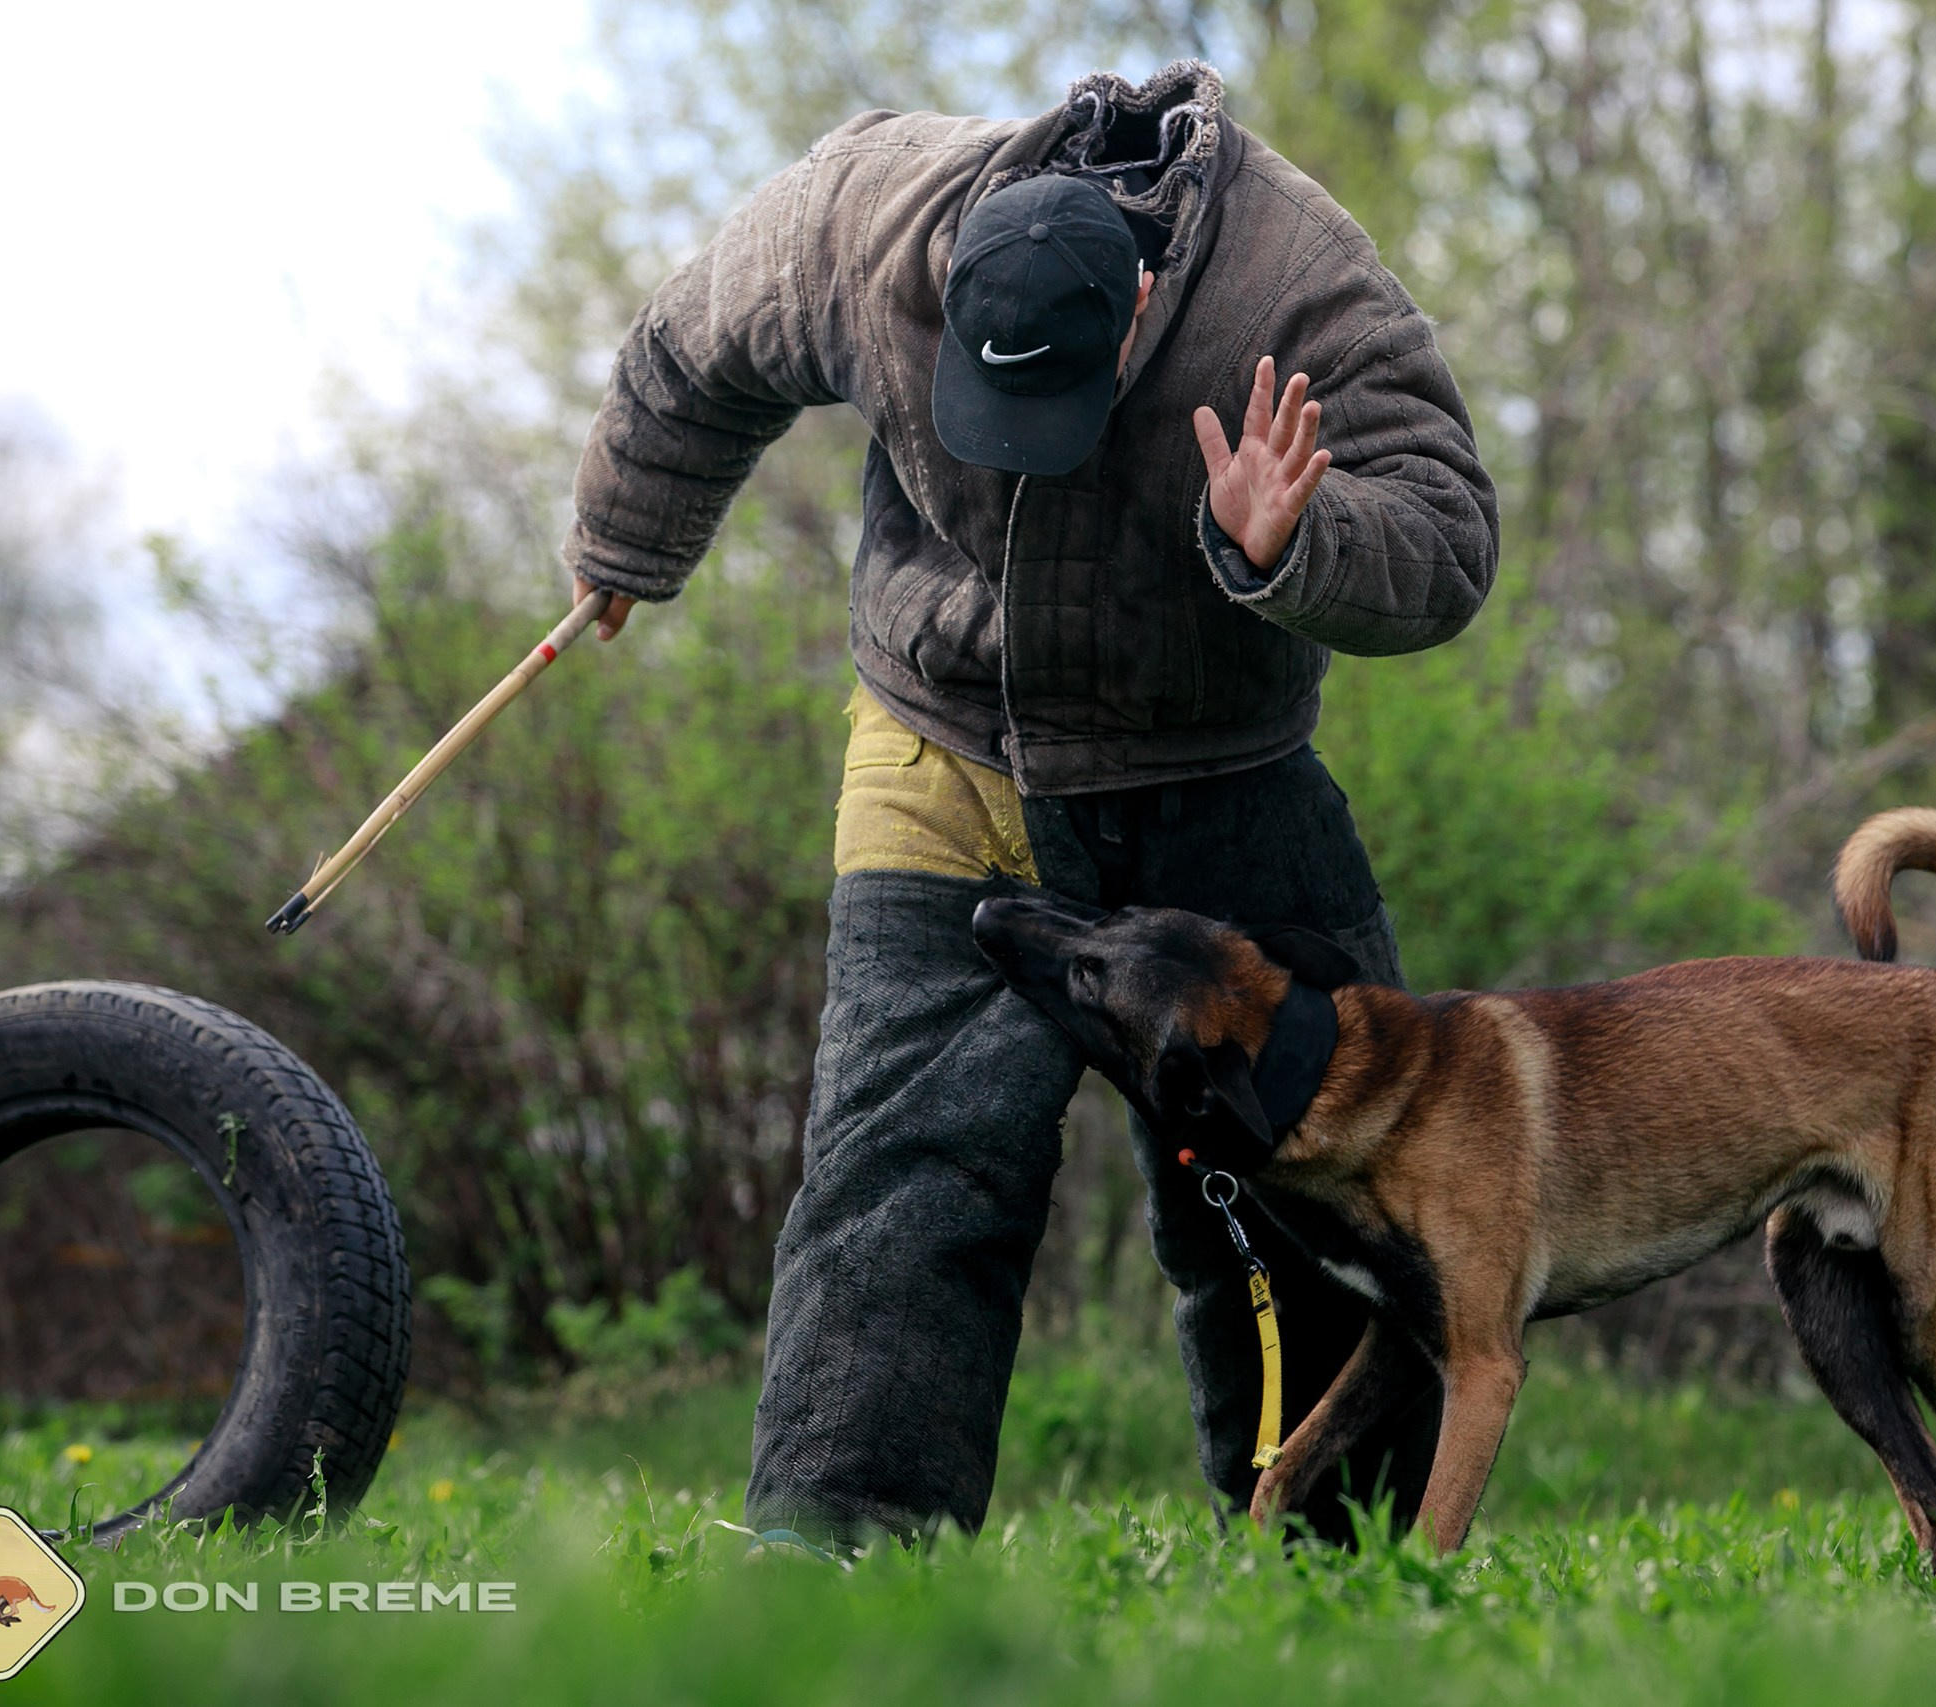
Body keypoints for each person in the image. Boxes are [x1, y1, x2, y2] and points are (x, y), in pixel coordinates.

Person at [561, 60, 1498, 1548]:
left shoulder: (1295, 288)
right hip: (946, 737)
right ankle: (837, 1554)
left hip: (1213, 771)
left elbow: (1448, 541)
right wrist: (629, 535)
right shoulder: (865, 223)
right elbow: (692, 347)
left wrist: (1300, 535)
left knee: (1323, 1163)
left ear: (1135, 316)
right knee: (903, 1170)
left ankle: (1351, 1549)